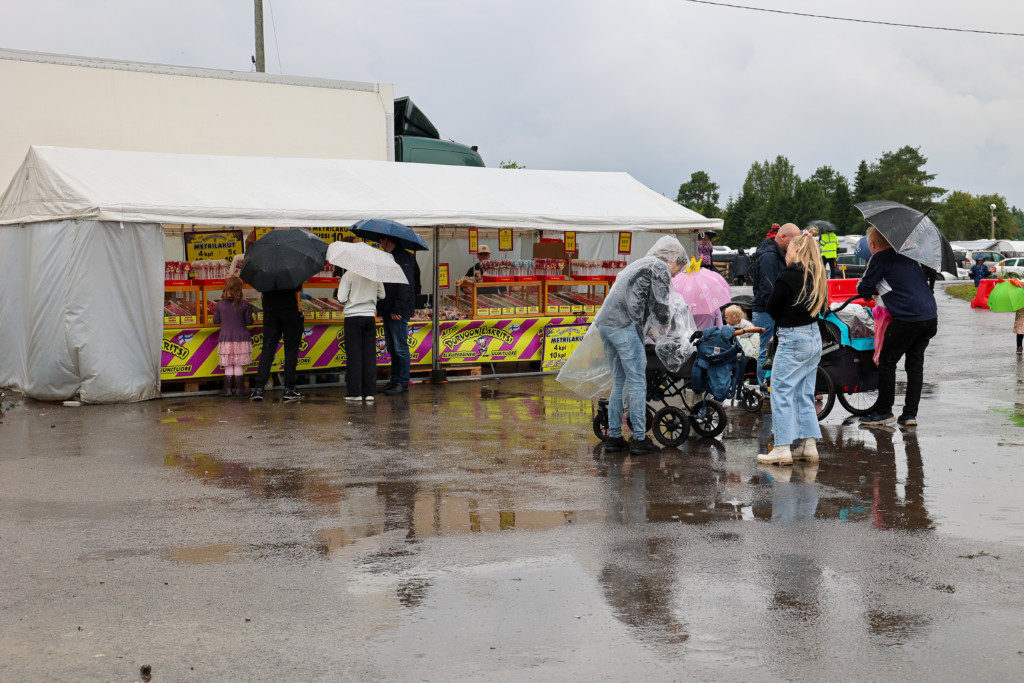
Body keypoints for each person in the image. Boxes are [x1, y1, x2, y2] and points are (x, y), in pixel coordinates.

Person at [594, 236, 688, 456]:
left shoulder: (640, 263)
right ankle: (639, 439)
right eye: (678, 271)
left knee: (619, 381)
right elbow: (661, 304)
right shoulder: (660, 268)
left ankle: (614, 437)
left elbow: (638, 298)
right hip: (624, 325)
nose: (675, 276)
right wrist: (663, 329)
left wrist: (648, 327)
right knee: (637, 381)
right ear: (673, 260)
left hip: (606, 324)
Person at [757, 233, 828, 465]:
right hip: (813, 337)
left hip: (792, 338)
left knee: (781, 391)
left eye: (787, 251)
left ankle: (782, 448)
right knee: (804, 393)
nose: (785, 255)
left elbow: (771, 307)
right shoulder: (818, 275)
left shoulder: (788, 275)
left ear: (796, 250)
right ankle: (809, 445)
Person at [857, 226, 938, 427]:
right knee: (914, 365)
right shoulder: (908, 256)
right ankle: (910, 414)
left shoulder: (879, 258)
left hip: (907, 319)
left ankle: (883, 411)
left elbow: (864, 287)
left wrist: (868, 292)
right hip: (929, 317)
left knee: (887, 362)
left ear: (872, 244)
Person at [751, 223, 801, 388]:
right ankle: (764, 388)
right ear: (783, 237)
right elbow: (769, 290)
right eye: (794, 240)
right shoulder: (769, 257)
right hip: (766, 312)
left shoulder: (776, 254)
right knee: (767, 351)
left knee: (773, 351)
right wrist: (781, 310)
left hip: (770, 310)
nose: (796, 244)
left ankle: (771, 386)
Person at [336, 267, 385, 401]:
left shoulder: (349, 275)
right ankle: (369, 393)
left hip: (352, 317)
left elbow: (341, 298)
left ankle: (355, 393)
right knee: (369, 356)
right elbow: (382, 295)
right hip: (369, 316)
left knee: (354, 355)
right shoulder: (375, 274)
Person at [250, 283, 304, 401]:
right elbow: (297, 287)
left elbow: (261, 288)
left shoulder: (265, 275)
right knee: (291, 351)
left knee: (267, 350)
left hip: (270, 313)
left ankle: (258, 389)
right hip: (289, 311)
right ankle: (289, 388)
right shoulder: (289, 274)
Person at [378, 236, 416, 396]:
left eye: (381, 240)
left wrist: (398, 308)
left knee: (400, 348)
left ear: (388, 240)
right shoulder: (389, 256)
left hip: (397, 310)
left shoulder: (404, 257)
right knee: (392, 348)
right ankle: (395, 380)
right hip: (388, 309)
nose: (380, 244)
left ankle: (402, 382)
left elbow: (405, 285)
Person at [213, 275, 254, 397]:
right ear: (239, 289)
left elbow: (215, 320)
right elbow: (249, 321)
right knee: (238, 364)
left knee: (229, 364)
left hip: (226, 339)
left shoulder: (219, 305)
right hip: (241, 339)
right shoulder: (245, 305)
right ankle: (240, 389)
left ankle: (227, 390)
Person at [724, 304, 759, 370]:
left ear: (734, 318)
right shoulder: (728, 326)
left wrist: (741, 334)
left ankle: (750, 357)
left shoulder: (745, 324)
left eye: (726, 317)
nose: (725, 319)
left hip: (746, 340)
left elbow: (752, 330)